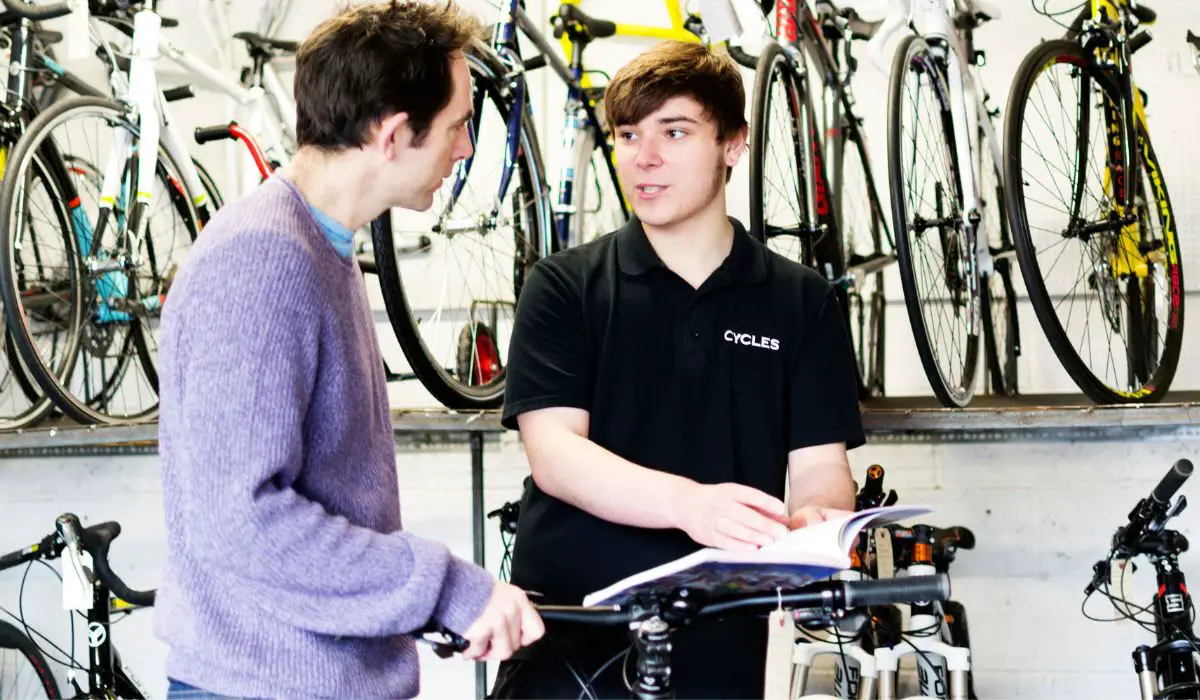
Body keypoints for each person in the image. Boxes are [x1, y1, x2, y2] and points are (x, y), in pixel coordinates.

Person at [154, 3, 543, 698]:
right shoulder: (264, 260)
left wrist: (413, 606)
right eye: (458, 126)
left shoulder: (320, 247)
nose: (462, 149)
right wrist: (449, 588)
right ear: (393, 135)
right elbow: (241, 520)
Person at [491, 40, 865, 699]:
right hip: (571, 639)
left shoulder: (801, 300)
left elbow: (820, 467)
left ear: (733, 143)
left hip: (723, 640)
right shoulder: (564, 287)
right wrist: (688, 504)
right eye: (629, 134)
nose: (645, 158)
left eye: (675, 131)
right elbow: (555, 455)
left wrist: (816, 527)